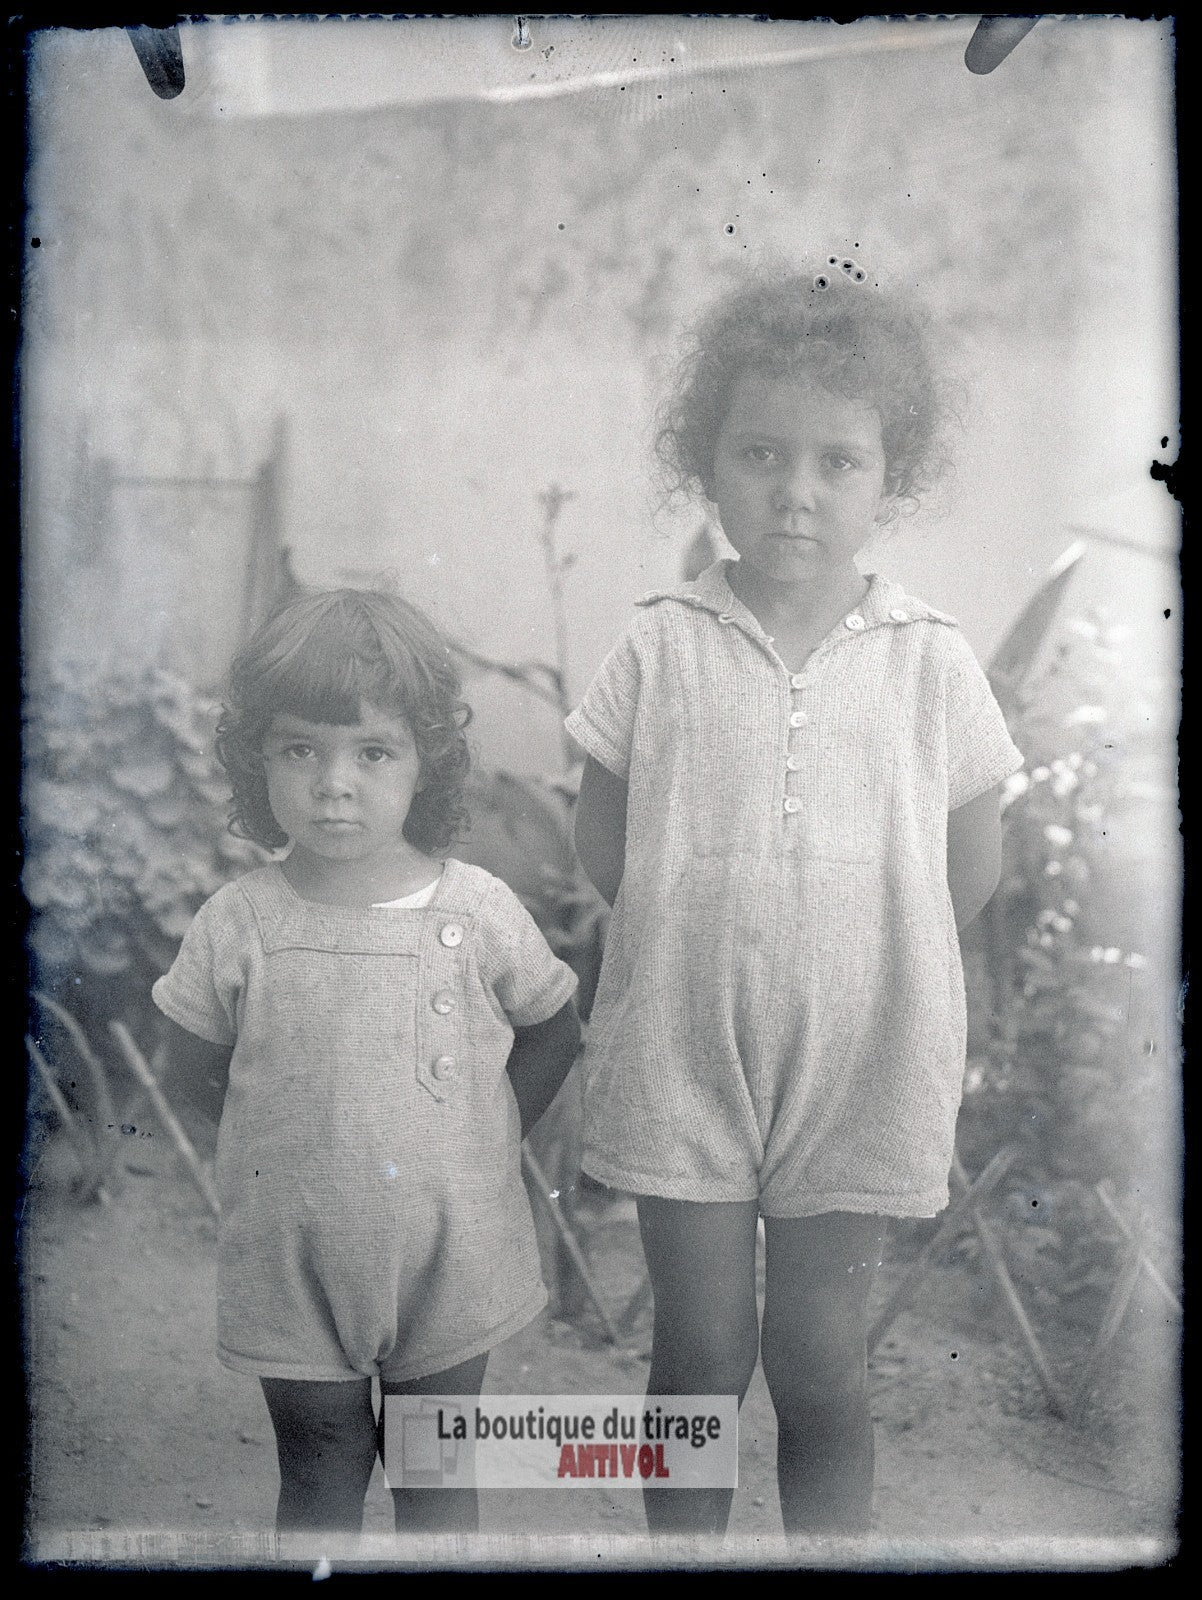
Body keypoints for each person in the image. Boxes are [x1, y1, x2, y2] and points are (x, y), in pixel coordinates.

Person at [566, 268, 1023, 1538]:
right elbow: (602, 835)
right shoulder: (658, 643)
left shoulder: (928, 658)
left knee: (818, 1364)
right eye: (761, 452)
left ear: (891, 478)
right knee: (698, 1356)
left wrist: (858, 943)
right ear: (704, 461)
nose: (797, 489)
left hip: (861, 1054)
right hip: (685, 1045)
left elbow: (968, 861)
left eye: (839, 460)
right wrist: (699, 923)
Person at [152, 587, 580, 1537]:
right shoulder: (241, 923)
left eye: (373, 752)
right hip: (294, 1263)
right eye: (300, 749)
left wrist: (492, 1129)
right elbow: (191, 1070)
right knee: (318, 1470)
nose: (333, 782)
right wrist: (283, 1142)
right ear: (255, 757)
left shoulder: (476, 909)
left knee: (433, 1481)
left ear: (425, 765)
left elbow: (555, 1023)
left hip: (451, 1254)